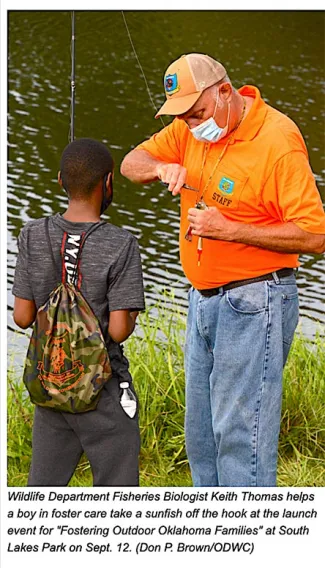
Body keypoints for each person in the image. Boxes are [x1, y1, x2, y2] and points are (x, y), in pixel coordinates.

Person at [120, 53, 325, 487]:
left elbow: (314, 235)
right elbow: (129, 163)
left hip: (256, 303)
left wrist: (229, 229)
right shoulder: (188, 128)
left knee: (239, 438)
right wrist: (161, 167)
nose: (193, 127)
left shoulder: (278, 140)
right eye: (184, 119)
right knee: (201, 435)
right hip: (202, 299)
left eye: (197, 114)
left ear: (225, 92)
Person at [13, 138, 145, 486]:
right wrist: (131, 314)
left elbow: (23, 317)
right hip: (102, 391)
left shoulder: (32, 234)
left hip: (51, 386)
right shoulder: (122, 244)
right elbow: (118, 331)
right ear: (108, 183)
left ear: (60, 181)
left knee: (43, 488)